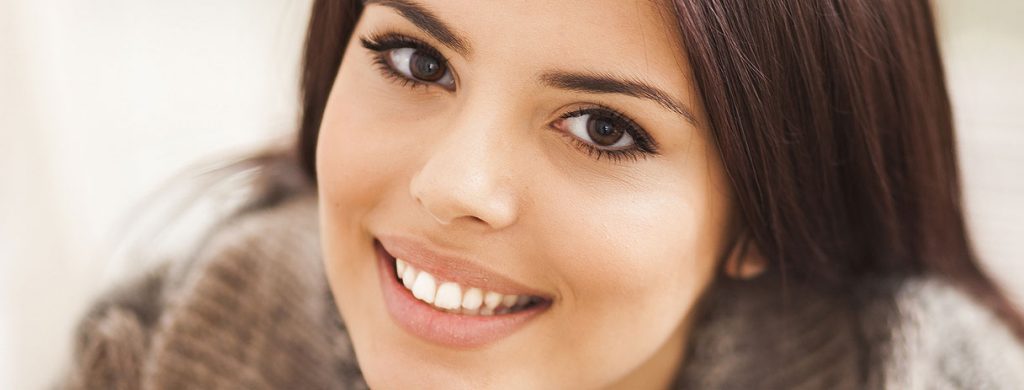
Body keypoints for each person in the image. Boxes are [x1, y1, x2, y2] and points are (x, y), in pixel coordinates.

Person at [63, 0, 1024, 388]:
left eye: (605, 128)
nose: (453, 187)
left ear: (765, 212)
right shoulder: (153, 353)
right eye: (413, 59)